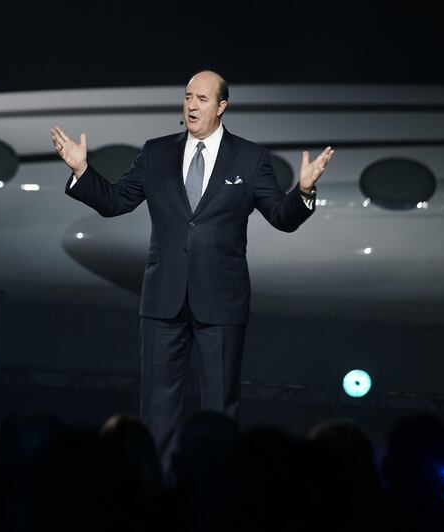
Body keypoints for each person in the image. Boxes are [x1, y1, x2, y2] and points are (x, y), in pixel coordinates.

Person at [51, 70, 334, 466]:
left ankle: (215, 492)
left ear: (221, 107)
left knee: (219, 411)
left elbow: (281, 217)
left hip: (221, 301)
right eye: (187, 97)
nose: (191, 105)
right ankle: (155, 489)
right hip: (163, 298)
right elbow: (116, 201)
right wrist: (82, 171)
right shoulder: (157, 152)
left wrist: (303, 192)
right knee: (156, 410)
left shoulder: (250, 158)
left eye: (202, 99)